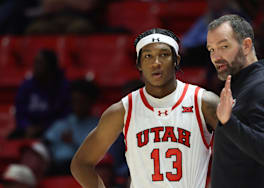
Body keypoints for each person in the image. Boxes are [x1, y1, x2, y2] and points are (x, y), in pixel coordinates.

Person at [71, 28, 220, 188]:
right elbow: (81, 164)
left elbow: (242, 153)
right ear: (139, 63)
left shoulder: (204, 102)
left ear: (176, 59)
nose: (156, 63)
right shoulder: (122, 110)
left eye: (164, 55)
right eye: (148, 56)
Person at [206, 14, 264, 188]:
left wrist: (228, 122)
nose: (216, 56)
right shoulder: (239, 85)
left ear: (246, 45)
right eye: (212, 49)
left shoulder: (262, 88)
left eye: (224, 46)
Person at [44, 79, 99, 175]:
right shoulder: (61, 124)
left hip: (84, 169)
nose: (77, 105)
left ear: (90, 102)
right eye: (75, 101)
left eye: (81, 101)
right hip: (56, 167)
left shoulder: (98, 125)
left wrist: (73, 142)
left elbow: (97, 153)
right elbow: (45, 143)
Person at [12, 49, 71, 139]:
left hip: (52, 130)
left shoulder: (63, 87)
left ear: (50, 66)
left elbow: (64, 115)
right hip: (27, 129)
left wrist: (42, 127)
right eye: (35, 62)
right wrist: (27, 126)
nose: (35, 66)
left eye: (40, 63)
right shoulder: (26, 86)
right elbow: (20, 112)